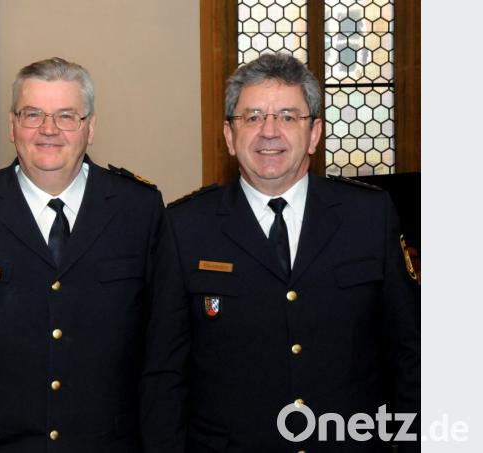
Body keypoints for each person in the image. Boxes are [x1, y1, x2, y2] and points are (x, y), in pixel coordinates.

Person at [140, 53, 420, 452]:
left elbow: (410, 355)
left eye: (288, 117)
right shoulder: (185, 226)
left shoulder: (370, 216)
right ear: (229, 135)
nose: (269, 132)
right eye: (252, 117)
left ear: (315, 133)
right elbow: (163, 375)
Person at [0, 57, 165, 452]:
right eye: (33, 114)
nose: (48, 130)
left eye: (66, 116)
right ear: (11, 125)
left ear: (90, 128)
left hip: (108, 442)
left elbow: (162, 340)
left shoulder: (138, 208)